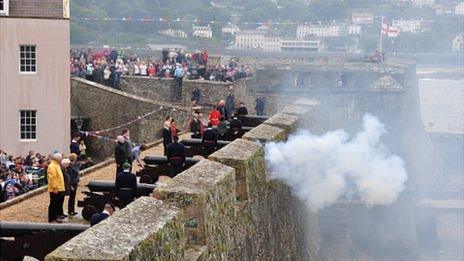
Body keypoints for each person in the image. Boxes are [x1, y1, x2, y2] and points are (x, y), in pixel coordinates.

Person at [47, 153, 65, 223]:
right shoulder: (52, 166)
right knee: (53, 204)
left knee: (57, 203)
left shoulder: (56, 165)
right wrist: (55, 187)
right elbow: (52, 178)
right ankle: (52, 218)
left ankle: (56, 216)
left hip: (59, 187)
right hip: (55, 188)